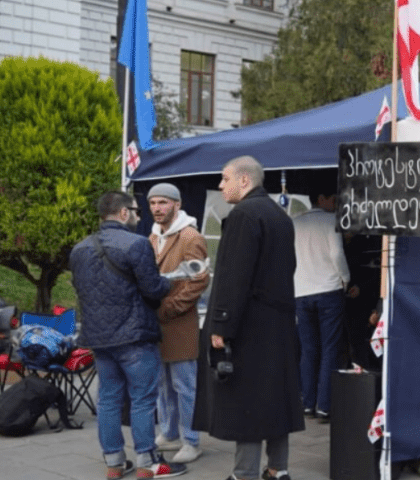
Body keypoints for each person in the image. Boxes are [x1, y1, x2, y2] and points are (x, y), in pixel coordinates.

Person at [193, 156, 305, 480]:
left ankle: (244, 474)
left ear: (244, 181)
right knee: (276, 398)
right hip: (278, 323)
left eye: (225, 178)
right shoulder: (280, 216)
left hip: (249, 326)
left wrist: (221, 325)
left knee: (249, 401)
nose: (220, 185)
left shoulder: (244, 214)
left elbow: (233, 275)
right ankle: (278, 469)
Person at [69, 191, 187, 479]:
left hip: (99, 338)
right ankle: (149, 465)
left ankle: (114, 464)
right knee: (143, 400)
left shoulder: (79, 249)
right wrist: (168, 283)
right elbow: (153, 291)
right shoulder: (136, 244)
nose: (138, 215)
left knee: (108, 399)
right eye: (136, 210)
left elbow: (83, 291)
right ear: (124, 213)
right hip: (134, 336)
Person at [147, 182, 210, 463]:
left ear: (177, 204)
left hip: (180, 322)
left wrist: (171, 307)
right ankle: (171, 432)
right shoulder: (153, 236)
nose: (157, 208)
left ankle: (192, 440)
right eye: (153, 203)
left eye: (163, 202)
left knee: (185, 386)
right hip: (157, 324)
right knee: (162, 383)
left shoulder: (190, 236)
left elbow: (200, 279)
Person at [294, 188, 358, 423]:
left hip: (301, 290)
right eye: (334, 199)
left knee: (308, 349)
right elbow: (337, 253)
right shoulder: (331, 220)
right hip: (329, 289)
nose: (336, 204)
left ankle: (307, 402)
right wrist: (346, 278)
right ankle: (325, 405)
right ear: (321, 197)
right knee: (330, 348)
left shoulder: (295, 223)